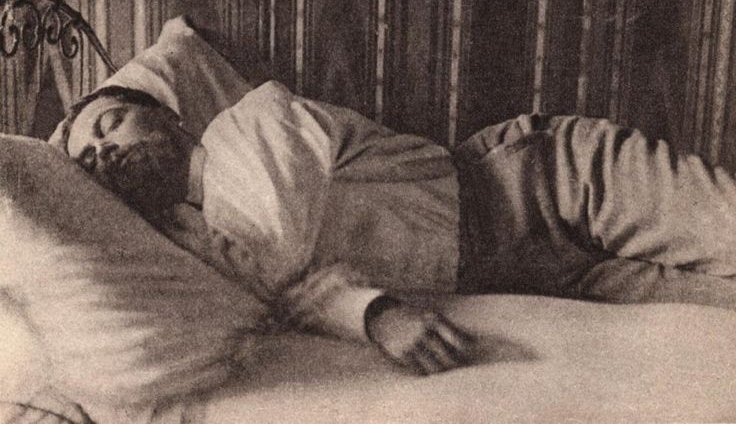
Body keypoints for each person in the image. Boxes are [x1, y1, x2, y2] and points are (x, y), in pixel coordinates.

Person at [54, 80, 736, 376]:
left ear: (170, 116)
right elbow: (269, 288)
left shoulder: (251, 123)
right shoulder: (199, 239)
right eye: (89, 158)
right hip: (516, 272)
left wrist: (371, 313)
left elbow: (278, 256)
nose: (104, 152)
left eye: (111, 124)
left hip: (543, 179)